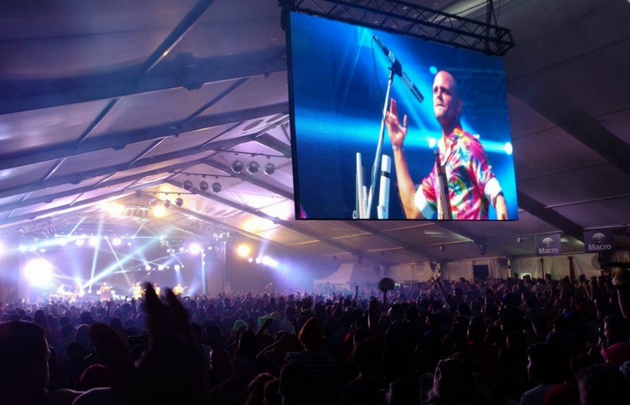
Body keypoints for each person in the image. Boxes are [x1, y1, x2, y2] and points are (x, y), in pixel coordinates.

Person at [385, 70, 508, 220]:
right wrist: (397, 147)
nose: (438, 94)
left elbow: (497, 196)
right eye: (435, 90)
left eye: (445, 91)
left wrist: (503, 230)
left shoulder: (468, 145)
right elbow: (413, 212)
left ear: (458, 106)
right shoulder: (439, 167)